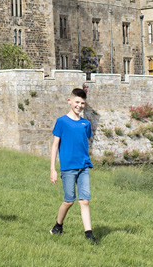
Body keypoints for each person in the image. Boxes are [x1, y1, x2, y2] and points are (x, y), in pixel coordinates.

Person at [49, 87, 98, 244]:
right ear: (69, 101)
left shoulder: (86, 124)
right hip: (68, 168)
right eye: (77, 102)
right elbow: (55, 146)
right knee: (69, 201)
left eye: (83, 103)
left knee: (84, 201)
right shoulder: (61, 122)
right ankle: (58, 225)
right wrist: (53, 169)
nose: (79, 105)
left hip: (83, 166)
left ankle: (89, 234)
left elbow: (85, 143)